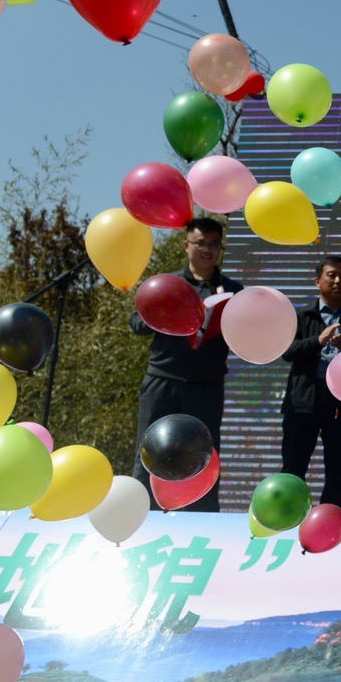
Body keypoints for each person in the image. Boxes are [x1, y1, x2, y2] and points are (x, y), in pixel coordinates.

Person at [132, 216, 241, 511]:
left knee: (203, 453)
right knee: (150, 450)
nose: (207, 250)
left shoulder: (232, 290)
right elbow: (136, 325)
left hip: (206, 386)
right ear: (186, 245)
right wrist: (167, 311)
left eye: (214, 244)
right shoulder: (168, 284)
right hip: (162, 380)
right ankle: (141, 512)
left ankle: (203, 518)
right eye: (200, 243)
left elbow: (245, 335)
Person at [279, 255, 341, 513]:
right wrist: (318, 341)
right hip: (302, 401)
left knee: (338, 470)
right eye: (331, 275)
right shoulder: (302, 315)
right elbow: (286, 351)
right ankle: (288, 518)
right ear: (317, 280)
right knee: (293, 467)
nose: (338, 280)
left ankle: (332, 524)